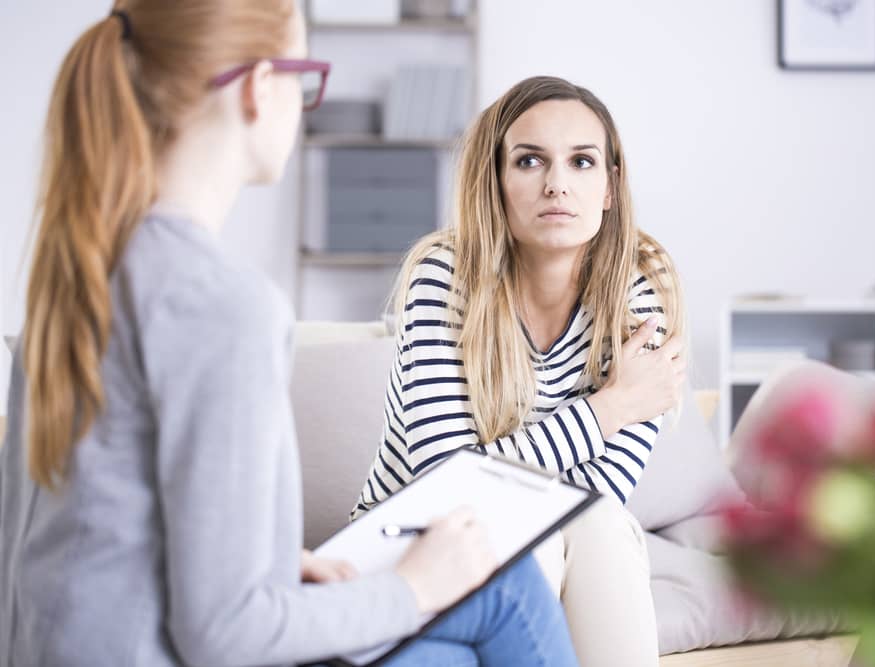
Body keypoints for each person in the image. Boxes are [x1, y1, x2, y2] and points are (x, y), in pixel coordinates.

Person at [0, 4, 578, 666]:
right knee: (505, 591)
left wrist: (276, 563)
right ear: (258, 86)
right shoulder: (221, 305)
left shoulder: (75, 277)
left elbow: (79, 546)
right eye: (307, 78)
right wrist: (411, 585)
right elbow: (226, 634)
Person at [352, 75, 688, 667]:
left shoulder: (637, 305)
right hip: (411, 551)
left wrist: (516, 462)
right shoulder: (445, 278)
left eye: (582, 162)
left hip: (561, 544)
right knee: (538, 534)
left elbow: (598, 494)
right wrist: (609, 408)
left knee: (602, 526)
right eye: (530, 160)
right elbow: (448, 487)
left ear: (610, 187)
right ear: (498, 181)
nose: (557, 184)